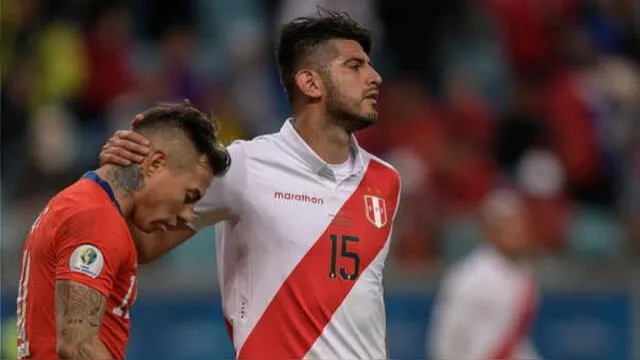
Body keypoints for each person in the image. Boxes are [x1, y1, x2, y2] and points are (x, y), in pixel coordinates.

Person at [99, 10, 401, 359]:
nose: (375, 77)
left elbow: (363, 308)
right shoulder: (243, 167)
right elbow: (143, 244)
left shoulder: (385, 180)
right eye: (355, 66)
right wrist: (114, 177)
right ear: (310, 83)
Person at [16, 102, 230, 360]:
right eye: (189, 196)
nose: (187, 214)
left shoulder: (89, 204)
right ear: (156, 164)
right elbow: (76, 344)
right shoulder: (95, 217)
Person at [428, 189, 540, 360]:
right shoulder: (470, 275)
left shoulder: (524, 274)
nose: (519, 231)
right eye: (510, 225)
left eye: (521, 223)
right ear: (491, 229)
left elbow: (517, 339)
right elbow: (447, 336)